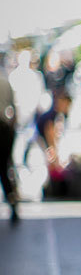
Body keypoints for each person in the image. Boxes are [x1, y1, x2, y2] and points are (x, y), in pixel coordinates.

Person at [0, 59, 19, 222]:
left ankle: (13, 202)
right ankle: (13, 202)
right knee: (5, 168)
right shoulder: (5, 82)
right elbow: (14, 109)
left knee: (4, 169)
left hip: (3, 128)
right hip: (5, 129)